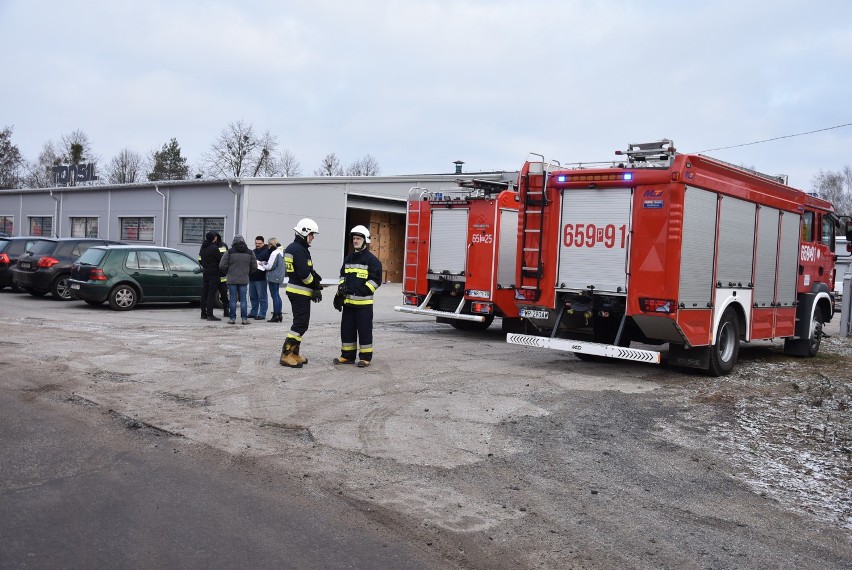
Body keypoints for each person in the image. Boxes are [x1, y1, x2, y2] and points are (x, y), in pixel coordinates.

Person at [332, 225, 382, 368]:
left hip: (363, 306)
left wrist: (362, 291)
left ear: (365, 240)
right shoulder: (349, 258)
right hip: (348, 304)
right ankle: (347, 356)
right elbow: (343, 275)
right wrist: (341, 289)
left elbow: (376, 280)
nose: (355, 241)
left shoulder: (371, 260)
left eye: (358, 238)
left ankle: (365, 357)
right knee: (347, 330)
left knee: (364, 331)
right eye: (354, 238)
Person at [279, 218, 323, 368]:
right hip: (300, 291)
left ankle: (294, 353)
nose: (313, 238)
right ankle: (286, 355)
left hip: (295, 290)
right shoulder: (300, 250)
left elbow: (303, 270)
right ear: (304, 232)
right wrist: (315, 285)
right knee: (300, 324)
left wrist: (314, 279)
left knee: (301, 323)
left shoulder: (293, 248)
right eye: (311, 234)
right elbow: (304, 275)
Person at [219, 235, 257, 325]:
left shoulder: (229, 252)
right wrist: (247, 273)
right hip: (244, 279)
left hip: (232, 279)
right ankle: (244, 319)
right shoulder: (250, 252)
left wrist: (227, 272)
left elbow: (222, 265)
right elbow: (254, 266)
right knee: (243, 300)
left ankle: (232, 319)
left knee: (232, 299)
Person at [198, 231, 224, 321]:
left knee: (204, 293)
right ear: (213, 238)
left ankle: (203, 313)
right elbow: (221, 260)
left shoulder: (203, 247)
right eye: (215, 237)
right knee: (211, 293)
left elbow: (200, 259)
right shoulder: (214, 248)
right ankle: (210, 314)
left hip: (205, 272)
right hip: (214, 272)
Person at [261, 237, 285, 322]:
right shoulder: (282, 251)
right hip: (279, 276)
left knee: (274, 295)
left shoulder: (274, 253)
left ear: (271, 244)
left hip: (273, 276)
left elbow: (270, 266)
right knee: (277, 295)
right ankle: (279, 314)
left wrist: (263, 264)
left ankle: (275, 315)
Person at [248, 235, 271, 320]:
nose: (257, 245)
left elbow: (269, 263)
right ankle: (253, 312)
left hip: (261, 278)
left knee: (262, 297)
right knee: (253, 297)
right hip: (252, 277)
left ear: (263, 243)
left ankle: (262, 314)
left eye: (259, 243)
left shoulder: (267, 251)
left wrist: (263, 262)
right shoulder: (253, 251)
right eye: (256, 243)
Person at [214, 232, 229, 317]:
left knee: (224, 292)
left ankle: (226, 310)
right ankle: (208, 312)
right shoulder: (209, 245)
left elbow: (227, 258)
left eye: (216, 237)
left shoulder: (223, 246)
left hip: (222, 273)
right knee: (211, 293)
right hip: (213, 272)